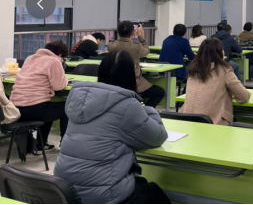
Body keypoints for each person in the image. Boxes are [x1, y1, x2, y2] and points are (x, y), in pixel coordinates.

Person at [55, 51, 170, 205]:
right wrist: (147, 108)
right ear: (130, 76)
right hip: (102, 196)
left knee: (140, 183)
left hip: (65, 191)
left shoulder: (77, 100)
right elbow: (158, 136)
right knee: (154, 193)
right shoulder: (128, 106)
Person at [10, 41, 69, 151]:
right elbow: (58, 86)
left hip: (15, 108)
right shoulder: (54, 61)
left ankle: (40, 144)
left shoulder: (30, 58)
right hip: (34, 108)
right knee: (68, 108)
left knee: (49, 107)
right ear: (60, 54)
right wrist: (65, 79)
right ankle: (65, 146)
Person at [181, 38, 251, 125]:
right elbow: (243, 97)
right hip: (213, 123)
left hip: (186, 121)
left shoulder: (192, 70)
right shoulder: (224, 70)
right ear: (220, 52)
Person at [108, 21, 166, 108]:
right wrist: (140, 36)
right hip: (133, 83)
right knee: (160, 92)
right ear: (133, 33)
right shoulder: (136, 46)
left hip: (115, 82)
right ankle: (144, 112)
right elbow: (146, 51)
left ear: (118, 32)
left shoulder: (111, 45)